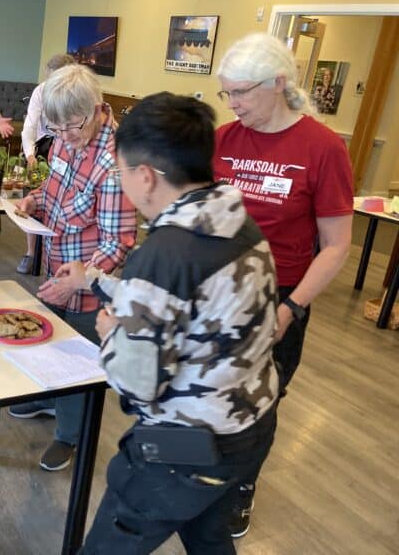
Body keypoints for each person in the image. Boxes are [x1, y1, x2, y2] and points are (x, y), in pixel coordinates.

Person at [57, 92, 279, 554]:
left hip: (187, 447)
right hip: (248, 429)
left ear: (145, 177)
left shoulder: (163, 254)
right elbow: (195, 308)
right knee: (208, 540)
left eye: (121, 172)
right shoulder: (238, 225)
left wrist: (110, 335)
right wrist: (95, 279)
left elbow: (137, 382)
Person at [213, 32, 353, 538]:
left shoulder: (322, 148)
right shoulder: (224, 140)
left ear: (278, 83)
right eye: (226, 93)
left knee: (258, 403)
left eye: (242, 93)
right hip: (218, 293)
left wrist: (291, 306)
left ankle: (241, 486)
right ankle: (206, 479)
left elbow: (336, 245)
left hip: (279, 298)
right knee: (212, 394)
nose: (233, 104)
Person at [8, 65, 137, 471]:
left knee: (78, 358)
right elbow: (55, 186)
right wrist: (34, 199)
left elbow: (119, 242)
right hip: (57, 263)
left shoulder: (115, 165)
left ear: (99, 111)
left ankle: (70, 436)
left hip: (90, 280)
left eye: (71, 128)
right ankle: (48, 400)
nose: (63, 138)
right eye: (56, 128)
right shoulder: (65, 140)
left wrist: (82, 279)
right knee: (50, 339)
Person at [16, 53, 76, 275]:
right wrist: (30, 155)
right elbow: (30, 125)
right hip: (43, 143)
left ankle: (59, 254)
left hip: (69, 143)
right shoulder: (41, 91)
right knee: (33, 195)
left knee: (63, 200)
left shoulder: (76, 94)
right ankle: (31, 253)